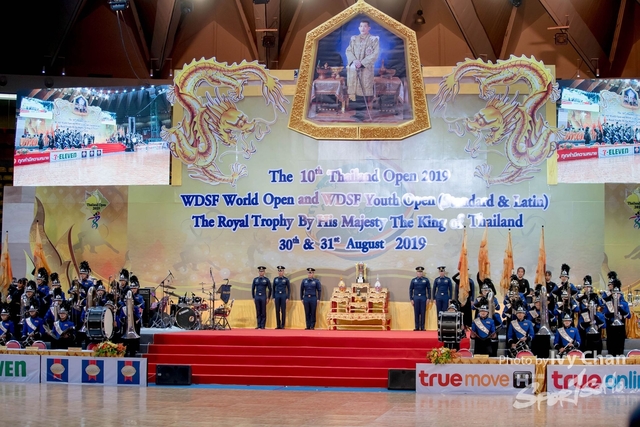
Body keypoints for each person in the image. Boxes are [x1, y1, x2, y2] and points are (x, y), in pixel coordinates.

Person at [345, 20, 380, 121]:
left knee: (363, 92)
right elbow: (348, 50)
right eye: (361, 26)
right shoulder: (354, 39)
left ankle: (362, 115)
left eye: (365, 26)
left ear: (369, 28)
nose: (363, 28)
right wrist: (354, 60)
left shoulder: (373, 40)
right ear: (358, 28)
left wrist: (362, 63)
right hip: (355, 69)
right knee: (356, 92)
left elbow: (375, 54)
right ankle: (357, 114)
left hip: (366, 70)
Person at [409, 266, 431, 331]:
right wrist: (411, 299)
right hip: (416, 297)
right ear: (417, 273)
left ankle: (423, 327)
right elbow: (410, 289)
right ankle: (417, 327)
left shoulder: (426, 280)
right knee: (416, 312)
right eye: (419, 272)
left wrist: (428, 298)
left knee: (423, 312)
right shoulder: (413, 280)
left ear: (422, 273)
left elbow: (429, 289)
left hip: (423, 297)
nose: (420, 273)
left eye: (421, 272)